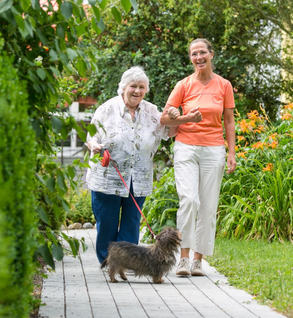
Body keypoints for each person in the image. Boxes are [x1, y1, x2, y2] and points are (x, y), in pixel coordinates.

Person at [85, 66, 180, 266]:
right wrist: (94, 145)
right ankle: (107, 261)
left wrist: (175, 116)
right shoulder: (107, 109)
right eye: (133, 86)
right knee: (107, 222)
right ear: (123, 87)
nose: (137, 91)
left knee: (131, 221)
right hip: (108, 175)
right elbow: (91, 136)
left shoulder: (152, 111)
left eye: (142, 87)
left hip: (138, 176)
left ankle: (126, 262)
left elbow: (169, 133)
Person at [160, 38, 237, 277]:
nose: (198, 57)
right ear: (191, 58)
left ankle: (198, 261)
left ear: (211, 54)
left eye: (202, 52)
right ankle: (183, 258)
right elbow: (164, 119)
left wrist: (232, 152)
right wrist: (183, 118)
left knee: (208, 205)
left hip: (214, 149)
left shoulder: (224, 85)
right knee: (189, 200)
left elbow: (229, 121)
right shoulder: (183, 85)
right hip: (186, 147)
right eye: (194, 54)